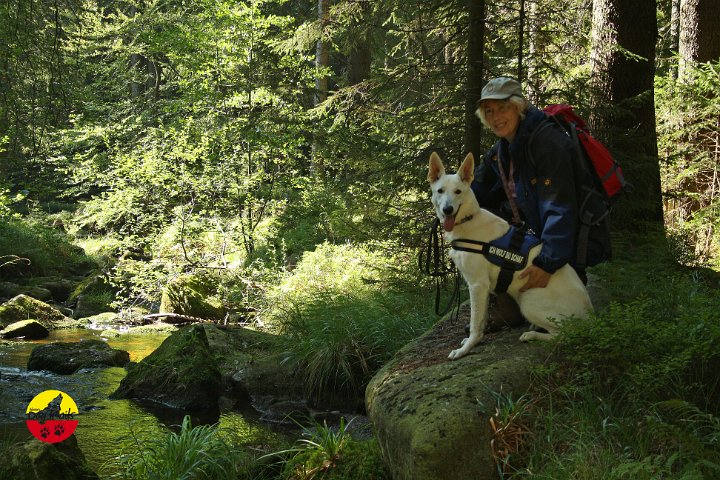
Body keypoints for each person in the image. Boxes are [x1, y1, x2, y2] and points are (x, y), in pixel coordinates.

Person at [472, 76, 603, 290]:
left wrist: (547, 263)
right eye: (489, 111)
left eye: (502, 108)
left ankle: (567, 281)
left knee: (558, 303)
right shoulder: (501, 150)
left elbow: (559, 206)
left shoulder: (549, 143)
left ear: (518, 107)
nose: (495, 117)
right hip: (532, 238)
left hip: (563, 247)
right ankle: (503, 293)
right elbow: (475, 191)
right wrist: (449, 206)